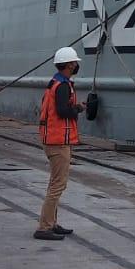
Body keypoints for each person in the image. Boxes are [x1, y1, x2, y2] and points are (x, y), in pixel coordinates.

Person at [35, 46, 81, 241]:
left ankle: (51, 223)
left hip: (53, 139)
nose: (77, 65)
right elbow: (63, 111)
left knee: (55, 183)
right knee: (57, 185)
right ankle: (44, 227)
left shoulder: (55, 83)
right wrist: (78, 109)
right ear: (69, 64)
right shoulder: (62, 86)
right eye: (75, 62)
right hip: (57, 141)